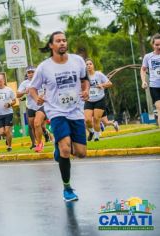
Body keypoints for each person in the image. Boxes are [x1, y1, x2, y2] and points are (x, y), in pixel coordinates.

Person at [30, 31, 90, 202]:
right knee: (65, 149)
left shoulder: (77, 61)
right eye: (58, 41)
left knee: (81, 153)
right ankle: (67, 188)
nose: (62, 43)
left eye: (64, 40)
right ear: (51, 45)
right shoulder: (44, 67)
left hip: (76, 110)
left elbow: (85, 79)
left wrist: (85, 90)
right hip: (56, 111)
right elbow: (32, 88)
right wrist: (37, 98)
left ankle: (59, 148)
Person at [17, 66, 47, 152]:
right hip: (30, 107)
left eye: (32, 72)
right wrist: (24, 92)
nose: (30, 74)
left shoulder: (42, 80)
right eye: (29, 72)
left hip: (41, 106)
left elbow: (49, 90)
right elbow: (17, 95)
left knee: (37, 123)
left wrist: (44, 96)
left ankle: (39, 144)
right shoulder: (24, 83)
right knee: (33, 127)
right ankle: (39, 142)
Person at [83, 58, 113, 141]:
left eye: (90, 64)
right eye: (87, 64)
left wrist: (102, 85)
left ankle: (96, 137)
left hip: (99, 100)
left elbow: (110, 83)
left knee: (96, 119)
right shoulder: (84, 77)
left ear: (93, 65)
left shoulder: (99, 74)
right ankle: (92, 132)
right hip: (89, 100)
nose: (88, 66)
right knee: (87, 120)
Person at [0, 74, 16, 152]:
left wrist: (9, 104)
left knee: (7, 131)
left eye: (1, 81)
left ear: (4, 81)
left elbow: (14, 100)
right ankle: (8, 138)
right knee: (1, 133)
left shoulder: (9, 90)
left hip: (8, 113)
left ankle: (9, 146)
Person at [141, 33, 160, 126]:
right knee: (159, 109)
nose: (159, 47)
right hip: (154, 86)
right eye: (157, 45)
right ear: (153, 45)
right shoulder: (148, 56)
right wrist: (144, 81)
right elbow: (143, 69)